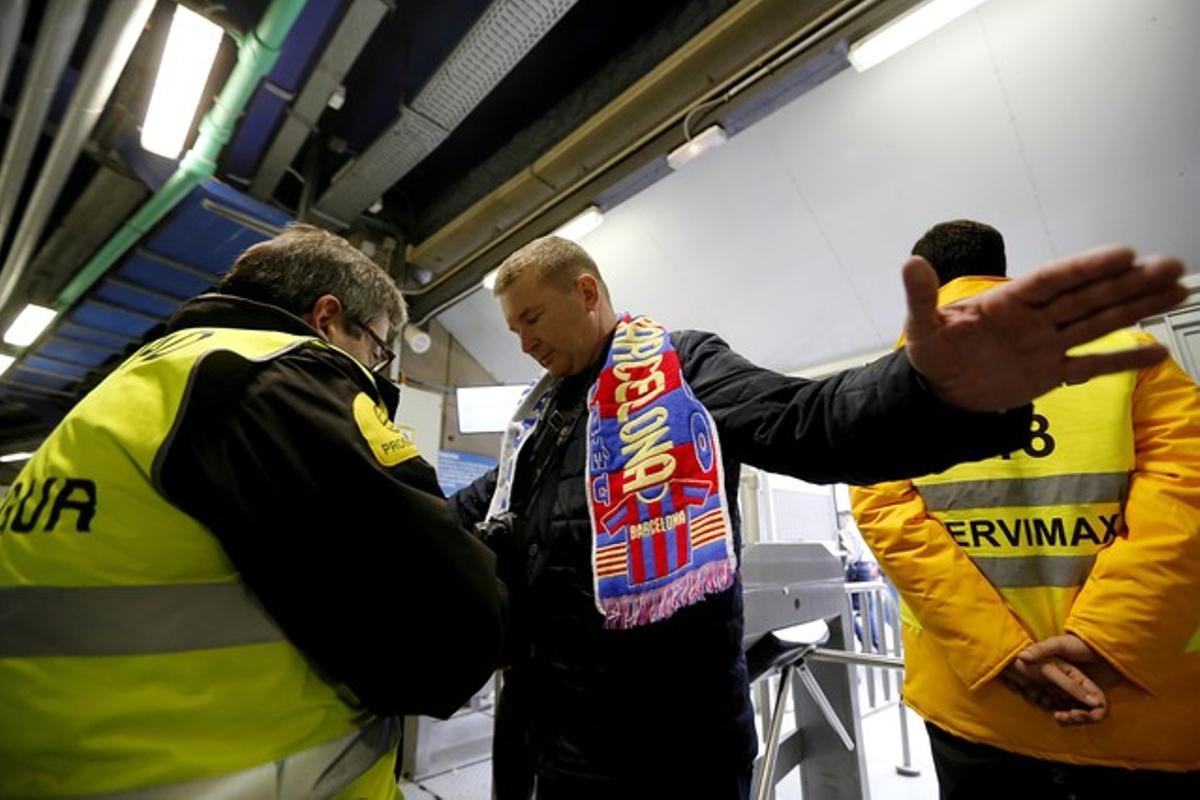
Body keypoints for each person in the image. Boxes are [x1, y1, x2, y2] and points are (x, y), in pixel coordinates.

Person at [448, 234, 1186, 799]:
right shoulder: (535, 422)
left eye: (533, 318)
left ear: (585, 293)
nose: (524, 342)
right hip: (540, 734)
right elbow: (480, 511)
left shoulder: (680, 370)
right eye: (513, 330)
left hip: (665, 745)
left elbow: (809, 421)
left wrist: (929, 392)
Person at [0, 224, 505, 798]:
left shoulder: (133, 385)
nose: (377, 369)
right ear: (326, 319)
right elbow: (447, 637)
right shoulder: (270, 379)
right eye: (378, 347)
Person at [851, 220, 1200, 798]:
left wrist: (1003, 653)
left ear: (927, 280)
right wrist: (1108, 639)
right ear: (1001, 266)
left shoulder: (885, 384)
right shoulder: (1124, 349)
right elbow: (1188, 486)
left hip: (978, 705)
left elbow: (888, 516)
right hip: (1141, 708)